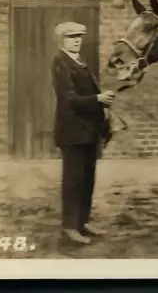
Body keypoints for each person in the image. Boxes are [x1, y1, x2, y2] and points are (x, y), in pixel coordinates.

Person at [51, 21, 115, 245]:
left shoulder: (79, 62)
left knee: (88, 179)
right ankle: (69, 227)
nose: (77, 40)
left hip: (87, 131)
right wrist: (98, 99)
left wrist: (101, 104)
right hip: (72, 132)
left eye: (79, 36)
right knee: (73, 180)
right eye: (72, 37)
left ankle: (82, 223)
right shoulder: (61, 62)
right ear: (62, 41)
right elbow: (69, 99)